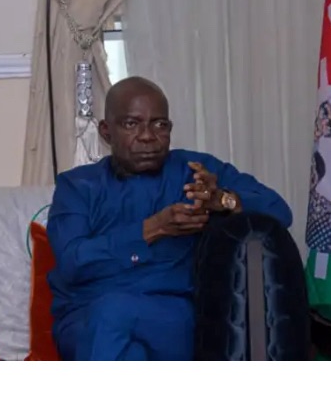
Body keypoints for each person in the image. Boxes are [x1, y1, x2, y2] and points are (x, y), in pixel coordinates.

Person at [46, 76, 292, 361]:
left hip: (169, 318)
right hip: (86, 314)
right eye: (131, 124)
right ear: (106, 131)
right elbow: (72, 262)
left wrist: (223, 200)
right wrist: (153, 229)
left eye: (159, 124)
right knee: (117, 328)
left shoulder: (194, 171)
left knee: (115, 314)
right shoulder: (78, 186)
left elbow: (280, 211)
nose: (147, 136)